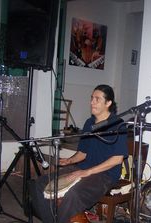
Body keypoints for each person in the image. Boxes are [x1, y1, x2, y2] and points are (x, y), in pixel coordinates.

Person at [30, 84, 128, 223]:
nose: (92, 102)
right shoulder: (89, 123)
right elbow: (83, 153)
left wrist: (86, 172)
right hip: (84, 168)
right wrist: (69, 161)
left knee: (73, 194)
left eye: (97, 99)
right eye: (92, 98)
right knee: (41, 183)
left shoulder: (118, 125)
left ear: (108, 103)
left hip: (105, 175)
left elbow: (117, 159)